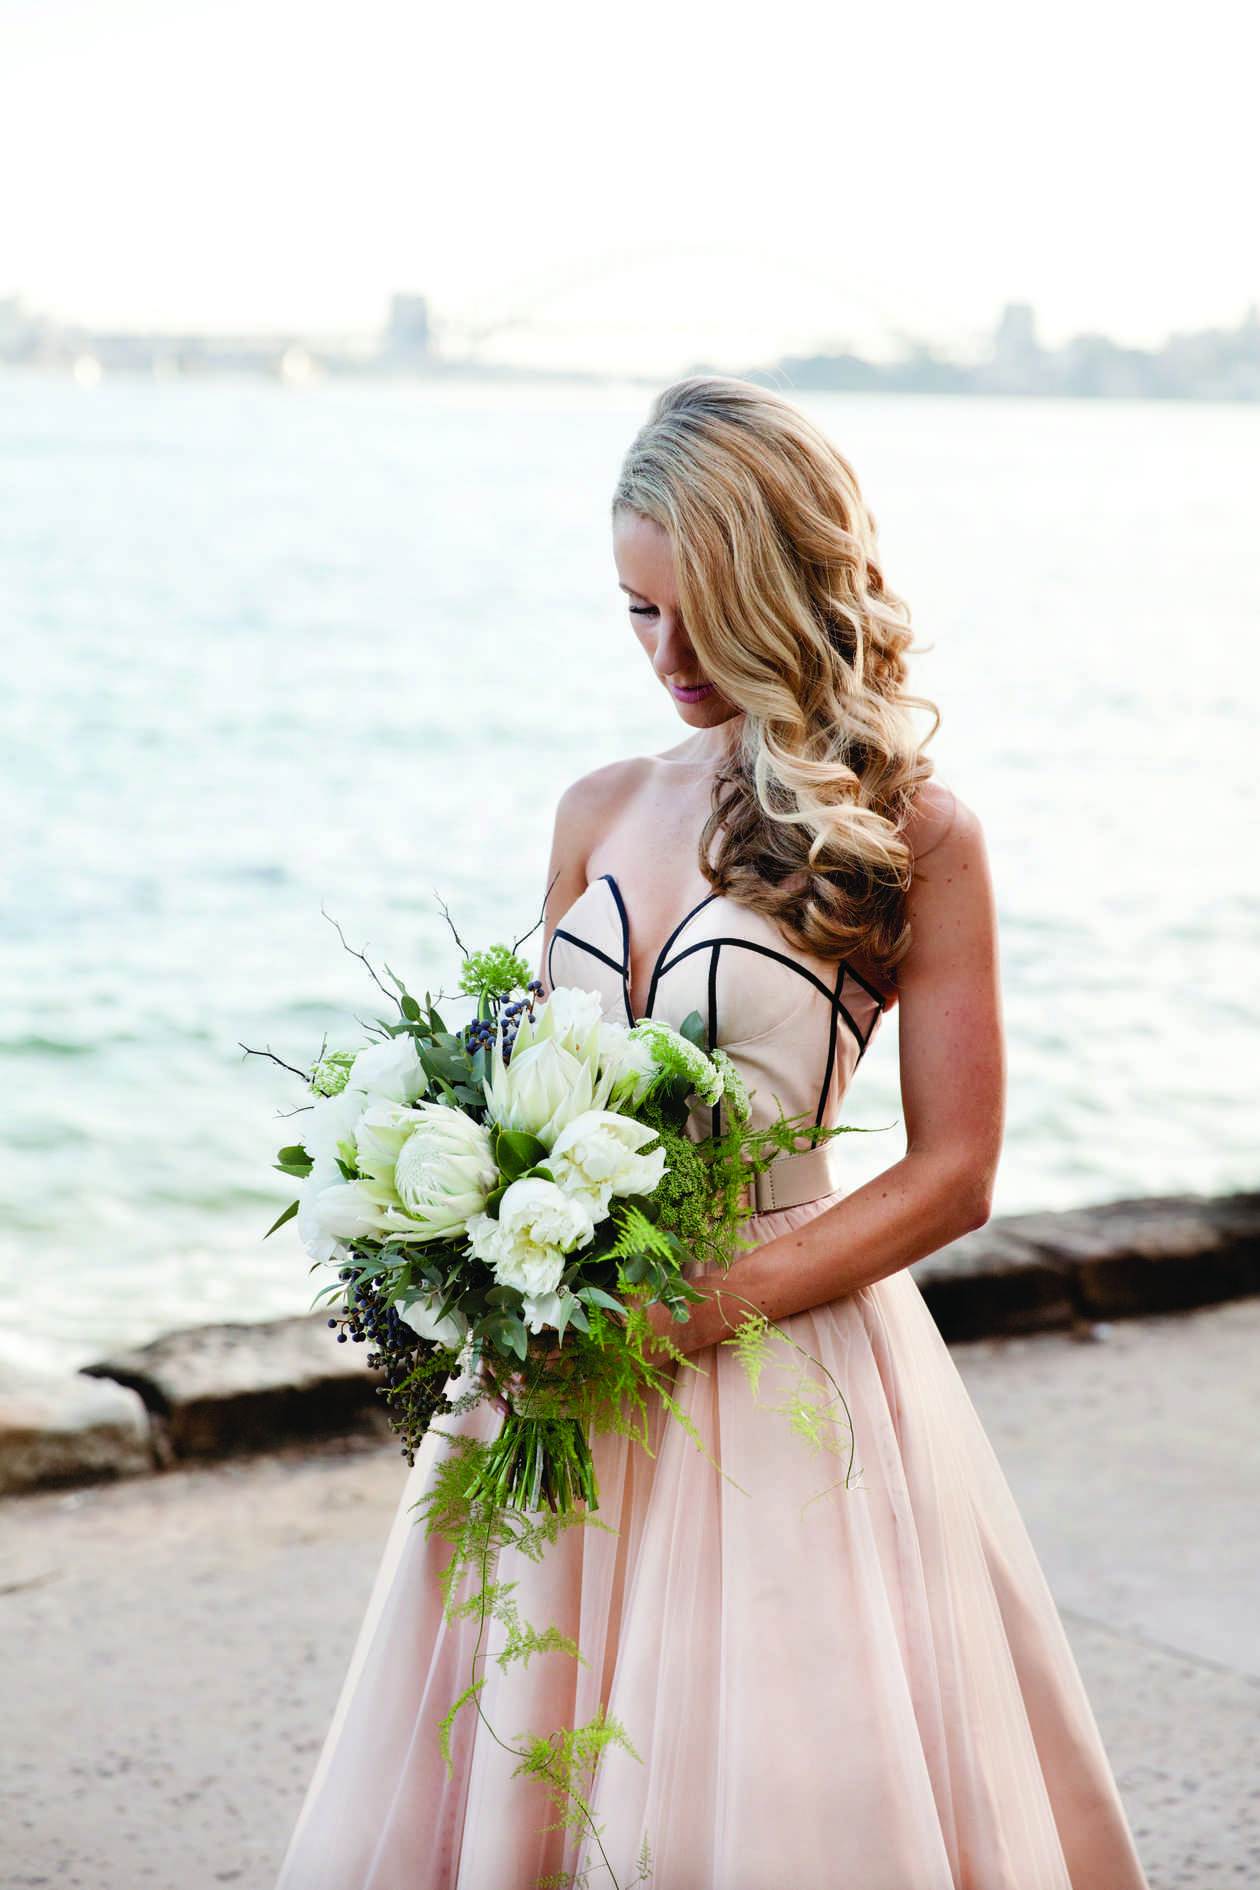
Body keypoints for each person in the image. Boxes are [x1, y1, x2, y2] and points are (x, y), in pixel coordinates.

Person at [276, 378, 1148, 1889]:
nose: (667, 659)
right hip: (547, 1370)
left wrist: (693, 1311)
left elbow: (956, 1171)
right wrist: (454, 1229)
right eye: (633, 613)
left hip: (776, 1361)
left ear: (787, 586)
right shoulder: (595, 806)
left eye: (701, 612)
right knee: (511, 1773)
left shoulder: (913, 834)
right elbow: (510, 1085)